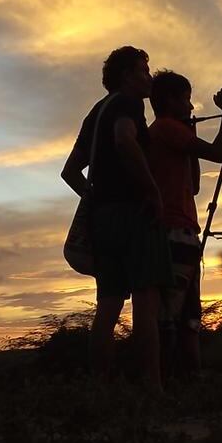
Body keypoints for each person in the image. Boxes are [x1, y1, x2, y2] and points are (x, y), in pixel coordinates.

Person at [61, 46, 171, 390]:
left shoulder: (95, 113)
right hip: (134, 215)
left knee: (108, 306)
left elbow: (70, 172)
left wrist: (96, 198)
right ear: (126, 76)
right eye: (142, 70)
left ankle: (102, 388)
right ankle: (152, 388)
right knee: (146, 303)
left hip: (102, 220)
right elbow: (125, 140)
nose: (148, 77)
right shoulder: (128, 104)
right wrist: (151, 190)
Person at [146, 70, 222, 376]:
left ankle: (189, 379)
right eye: (186, 98)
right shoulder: (164, 128)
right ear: (170, 101)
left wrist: (190, 143)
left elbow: (195, 185)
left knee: (189, 317)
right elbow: (219, 153)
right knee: (171, 317)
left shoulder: (172, 132)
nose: (190, 106)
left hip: (181, 231)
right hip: (173, 232)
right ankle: (169, 382)